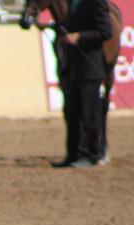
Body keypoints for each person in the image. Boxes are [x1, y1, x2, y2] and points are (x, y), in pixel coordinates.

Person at [52, 0, 112, 168]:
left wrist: (80, 36)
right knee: (72, 113)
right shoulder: (72, 3)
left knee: (89, 114)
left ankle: (91, 154)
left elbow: (105, 32)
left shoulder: (96, 3)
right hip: (73, 66)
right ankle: (73, 154)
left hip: (90, 66)